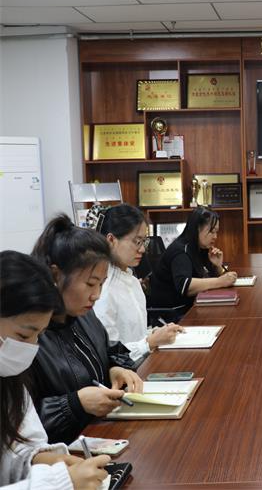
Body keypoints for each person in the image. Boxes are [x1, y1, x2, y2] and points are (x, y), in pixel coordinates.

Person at [0, 251, 110, 490]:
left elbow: (17, 445)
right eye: (23, 335)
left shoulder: (8, 374)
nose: (31, 347)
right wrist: (59, 482)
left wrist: (46, 460)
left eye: (39, 335)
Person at [29, 215, 143, 444]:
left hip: (101, 436)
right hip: (62, 451)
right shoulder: (29, 334)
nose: (96, 295)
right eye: (90, 284)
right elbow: (19, 423)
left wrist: (115, 369)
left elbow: (109, 350)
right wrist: (75, 404)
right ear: (55, 275)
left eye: (101, 284)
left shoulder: (83, 315)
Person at [94, 204, 182, 363]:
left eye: (144, 242)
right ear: (111, 240)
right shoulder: (103, 288)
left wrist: (156, 334)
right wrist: (150, 342)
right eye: (137, 242)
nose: (142, 250)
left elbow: (135, 334)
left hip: (143, 363)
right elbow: (109, 355)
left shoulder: (132, 281)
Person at [148, 206, 238, 311]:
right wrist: (220, 281)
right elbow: (185, 286)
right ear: (197, 229)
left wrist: (218, 267)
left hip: (192, 306)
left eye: (216, 232)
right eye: (212, 231)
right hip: (173, 313)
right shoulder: (181, 251)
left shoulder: (200, 248)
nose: (215, 236)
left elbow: (207, 279)